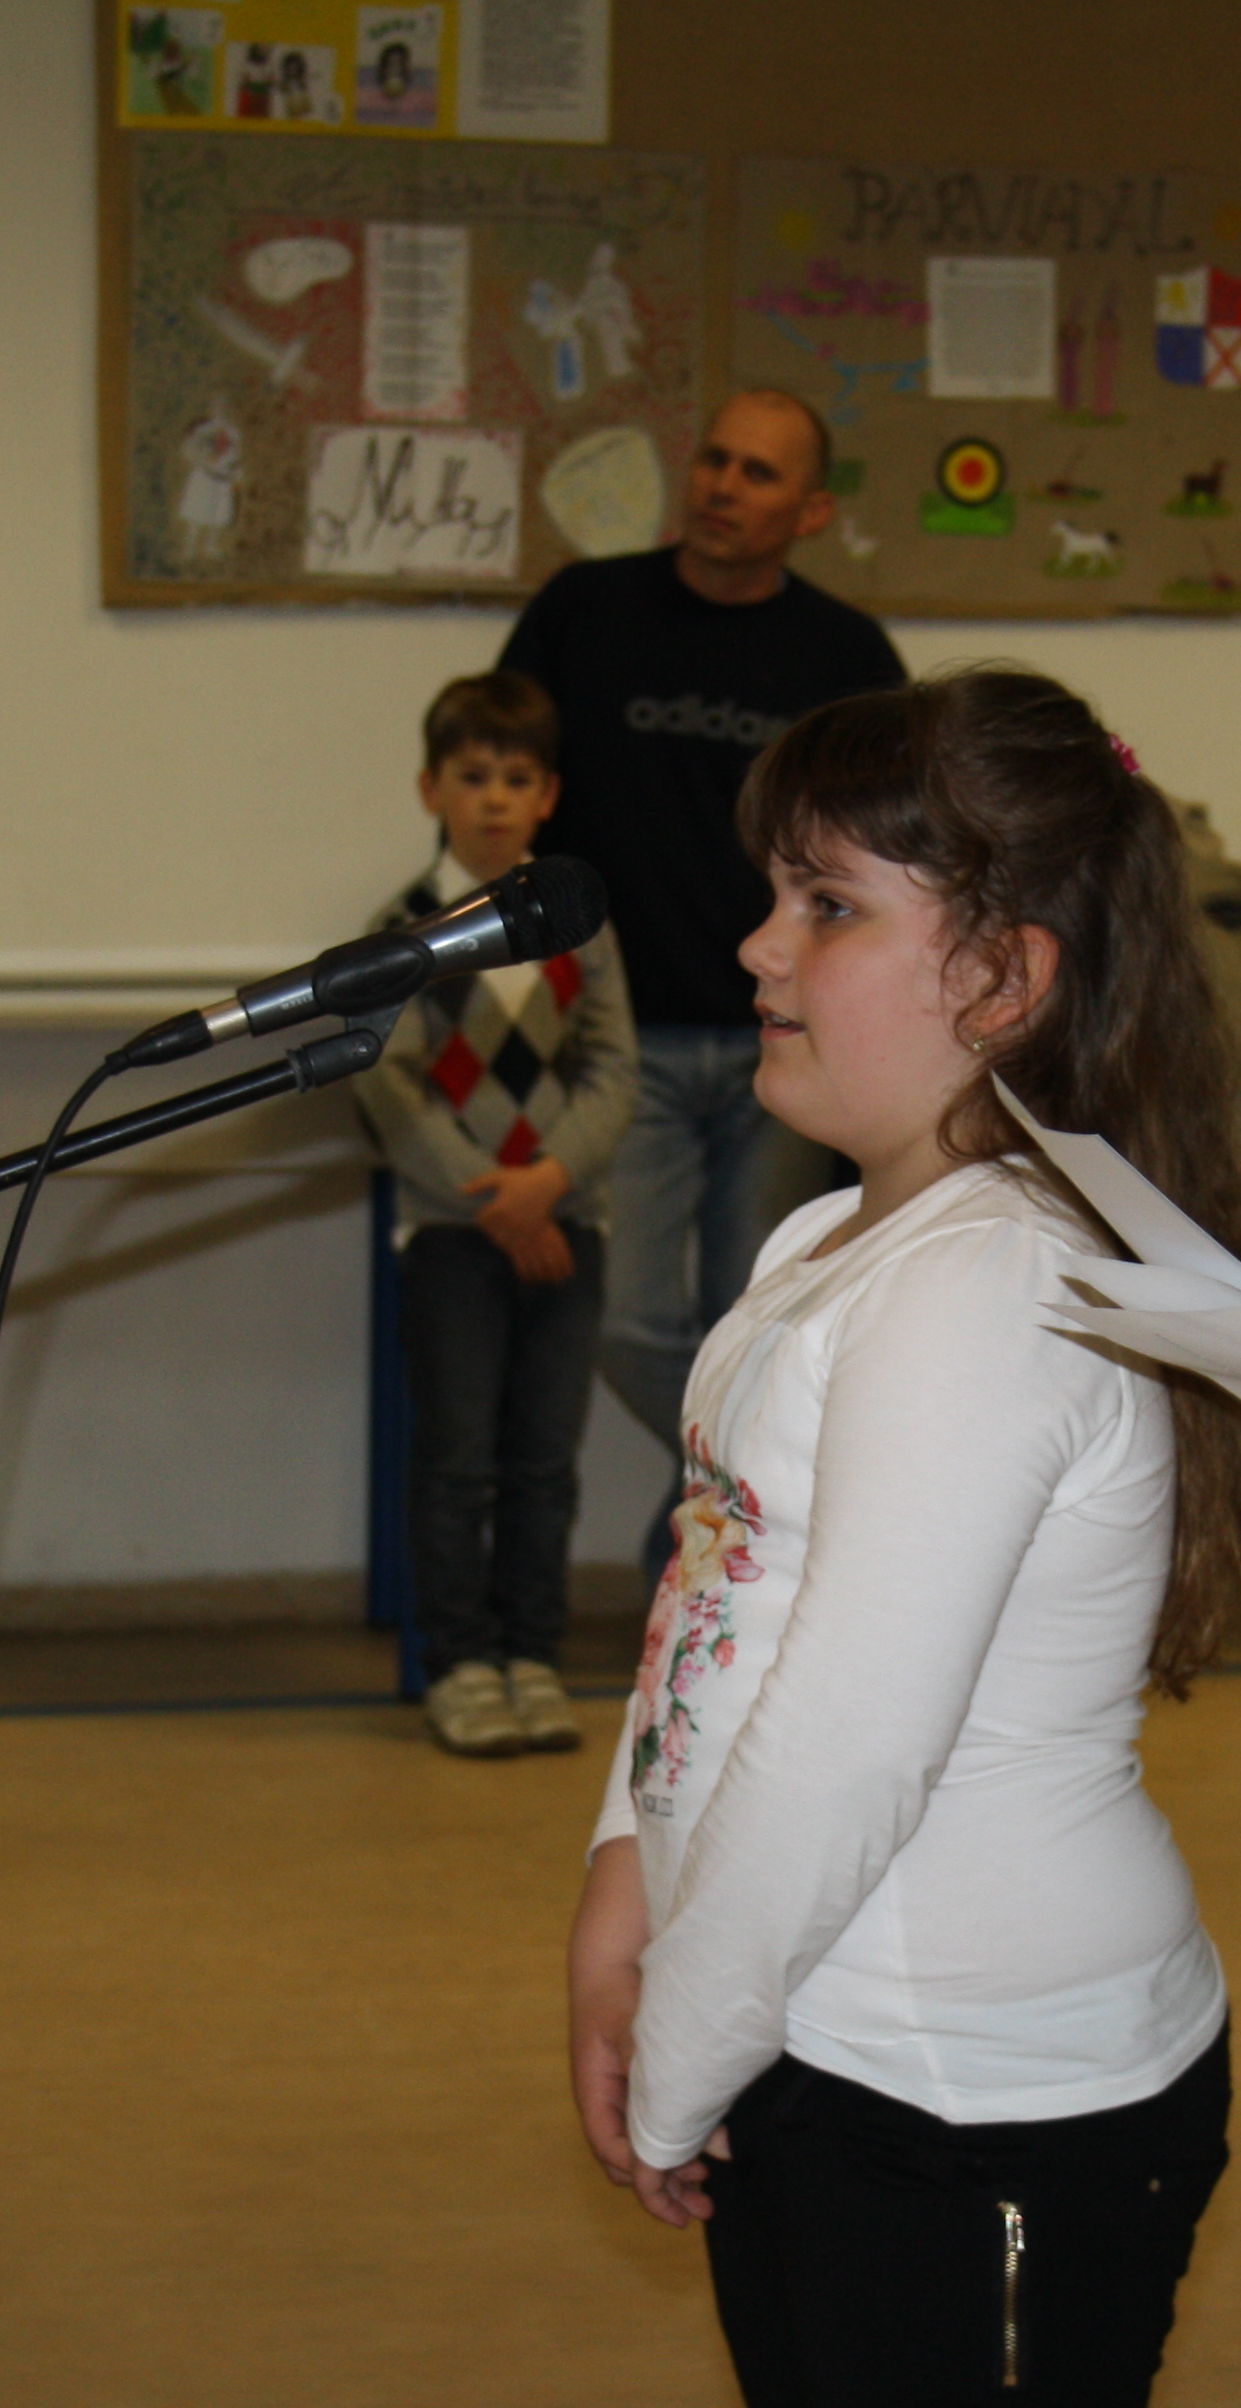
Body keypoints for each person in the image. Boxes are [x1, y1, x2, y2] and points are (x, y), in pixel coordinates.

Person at [563, 668, 1241, 2408]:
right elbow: (714, 1601)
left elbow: (844, 1746)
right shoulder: (829, 1241)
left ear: (1003, 976)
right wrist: (623, 1878)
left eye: (827, 905)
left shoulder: (990, 1285)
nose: (754, 945)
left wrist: (680, 2057)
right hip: (809, 2036)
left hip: (969, 2098)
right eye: (770, 895)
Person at [497, 391, 907, 1557]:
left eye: (759, 473)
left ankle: (704, 1541)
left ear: (811, 510)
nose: (725, 485)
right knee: (626, 1321)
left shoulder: (846, 655)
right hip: (624, 1044)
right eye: (715, 460)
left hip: (790, 1042)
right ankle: (723, 1495)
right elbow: (507, 786)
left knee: (761, 1325)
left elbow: (897, 853)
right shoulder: (585, 611)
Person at [351, 674, 638, 1757]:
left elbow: (614, 1068)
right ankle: (460, 1665)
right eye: (472, 777)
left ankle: (531, 1655)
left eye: (517, 779)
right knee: (457, 1458)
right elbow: (393, 1087)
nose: (494, 799)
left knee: (543, 1460)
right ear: (432, 788)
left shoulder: (579, 927)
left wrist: (547, 1184)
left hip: (569, 1222)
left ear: (548, 795)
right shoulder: (402, 931)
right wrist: (496, 1198)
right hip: (452, 1235)